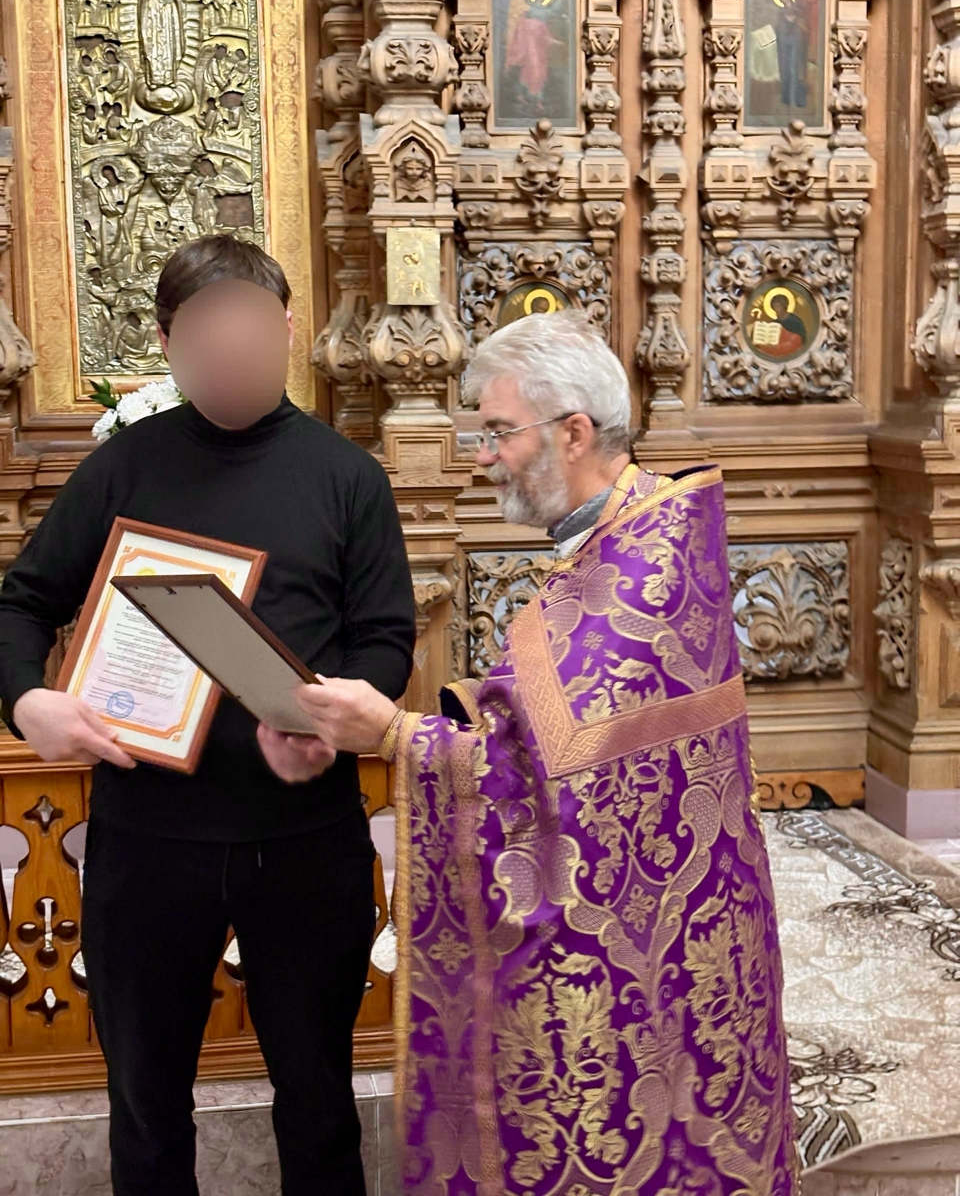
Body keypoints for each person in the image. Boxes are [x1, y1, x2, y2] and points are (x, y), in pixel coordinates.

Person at [264, 312, 799, 1195]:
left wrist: (391, 734)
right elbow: (562, 731)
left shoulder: (641, 566)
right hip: (669, 923)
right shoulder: (635, 532)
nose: (483, 457)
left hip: (653, 938)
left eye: (498, 431)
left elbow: (548, 775)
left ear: (573, 432)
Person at [0, 235, 416, 1196]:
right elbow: (20, 605)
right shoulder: (123, 468)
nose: (232, 357)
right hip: (150, 841)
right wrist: (29, 702)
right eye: (206, 340)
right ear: (166, 344)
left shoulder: (347, 476)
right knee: (147, 1107)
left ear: (288, 329)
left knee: (318, 1100)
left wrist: (338, 719)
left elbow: (385, 639)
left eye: (251, 336)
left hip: (305, 839)